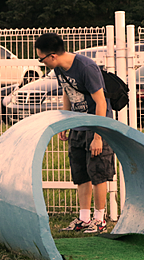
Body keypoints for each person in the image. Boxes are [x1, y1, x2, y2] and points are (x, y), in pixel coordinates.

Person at [35, 33, 115, 234]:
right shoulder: (60, 69)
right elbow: (67, 92)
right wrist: (66, 123)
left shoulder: (86, 67)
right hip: (77, 127)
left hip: (95, 127)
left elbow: (101, 102)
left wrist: (98, 136)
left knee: (98, 173)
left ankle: (99, 219)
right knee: (81, 174)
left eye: (41, 59)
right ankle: (84, 218)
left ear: (52, 56)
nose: (41, 63)